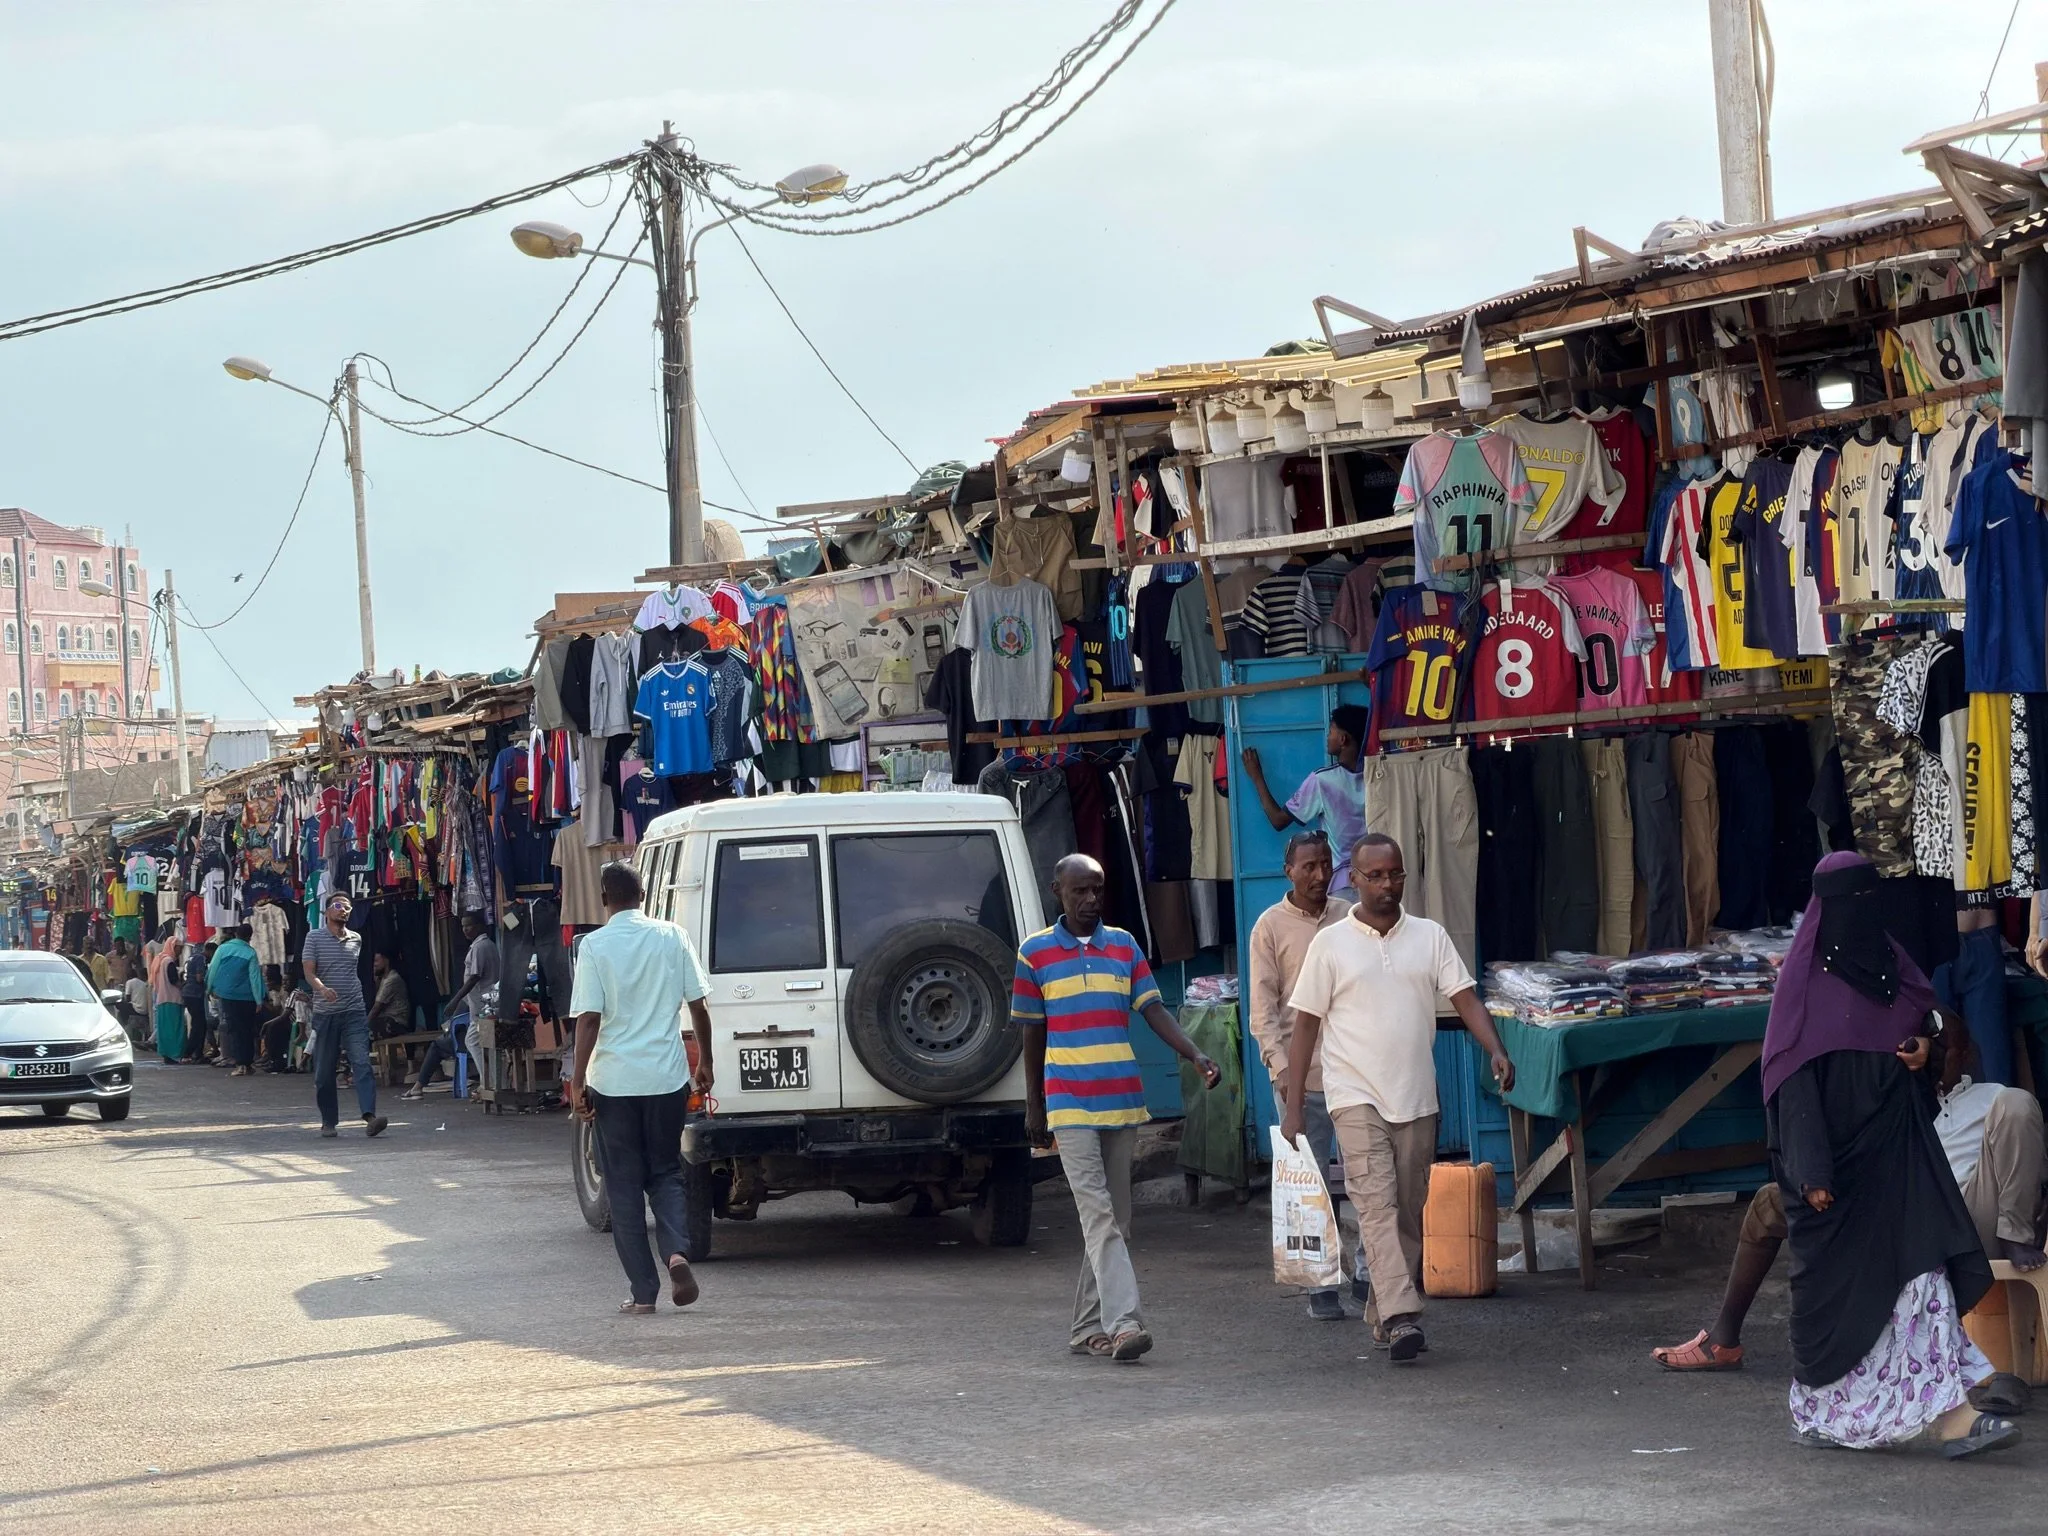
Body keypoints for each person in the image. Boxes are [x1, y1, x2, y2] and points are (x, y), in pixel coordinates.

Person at [1755, 852, 2014, 1458]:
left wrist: (1926, 1048)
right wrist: (1812, 1173)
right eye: (1853, 903)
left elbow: (1937, 1028)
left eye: (1874, 900)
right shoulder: (1802, 993)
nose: (1866, 915)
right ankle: (1830, 1414)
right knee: (1845, 1304)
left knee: (1923, 1277)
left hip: (1899, 1159)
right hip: (1836, 1182)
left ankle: (1954, 1417)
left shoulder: (1893, 969)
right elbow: (1792, 1087)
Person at [1655, 1003, 2046, 1374]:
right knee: (1768, 1202)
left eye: (1945, 1049)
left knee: (2018, 1102)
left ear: (1967, 1055)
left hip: (1966, 1222)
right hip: (1898, 1224)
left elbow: (2023, 1167)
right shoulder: (1892, 1098)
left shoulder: (1991, 1099)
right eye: (1927, 1047)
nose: (1936, 1057)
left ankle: (2015, 1237)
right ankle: (1723, 1340)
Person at [1282, 834, 1514, 1364]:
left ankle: (1381, 1311)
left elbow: (1465, 998)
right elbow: (1305, 1028)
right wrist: (1295, 1107)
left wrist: (1495, 1049)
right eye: (1376, 876)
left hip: (1416, 1096)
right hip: (1353, 1094)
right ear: (1355, 880)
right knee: (1376, 1205)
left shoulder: (1429, 936)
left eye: (1396, 874)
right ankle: (1402, 1315)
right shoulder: (1331, 945)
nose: (1388, 884)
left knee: (1409, 1211)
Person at [1013, 853, 1222, 1363]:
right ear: (1058, 891)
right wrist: (1035, 1107)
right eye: (1080, 891)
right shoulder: (1034, 953)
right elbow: (1032, 1034)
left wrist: (1194, 1054)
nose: (1090, 900)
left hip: (1122, 1100)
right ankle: (1125, 1323)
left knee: (1116, 1223)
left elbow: (1153, 1010)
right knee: (1099, 1215)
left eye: (1098, 890)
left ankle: (1086, 1328)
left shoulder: (1125, 945)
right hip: (1069, 1104)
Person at [568, 862, 714, 1315]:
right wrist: (706, 1062)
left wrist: (577, 1080)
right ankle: (676, 1254)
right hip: (666, 1078)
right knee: (666, 1172)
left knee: (624, 1185)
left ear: (603, 899)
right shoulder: (673, 936)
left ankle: (643, 1293)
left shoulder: (594, 946)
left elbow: (589, 1019)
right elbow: (698, 1006)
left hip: (614, 1083)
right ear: (644, 894)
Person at [1247, 829, 1354, 1320]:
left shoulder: (1349, 916)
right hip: (1299, 1078)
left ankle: (1370, 1277)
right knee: (1310, 1186)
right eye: (1308, 866)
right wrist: (1280, 1067)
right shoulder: (1269, 927)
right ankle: (1320, 1285)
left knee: (1368, 1180)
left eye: (1325, 864)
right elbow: (1263, 1009)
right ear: (1288, 871)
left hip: (1352, 1072)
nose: (1319, 874)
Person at [1239, 705, 1370, 897]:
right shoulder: (1378, 776)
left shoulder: (1323, 780)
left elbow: (1278, 820)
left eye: (1331, 731)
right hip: (1373, 877)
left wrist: (1256, 775)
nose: (1327, 736)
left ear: (1343, 739)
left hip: (1342, 883)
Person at [304, 894, 386, 1139]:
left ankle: (370, 1117)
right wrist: (322, 989)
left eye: (348, 908)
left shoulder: (356, 939)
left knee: (361, 1062)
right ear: (327, 911)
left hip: (354, 1011)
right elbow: (309, 972)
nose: (344, 910)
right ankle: (328, 1121)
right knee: (324, 1072)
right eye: (339, 906)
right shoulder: (314, 937)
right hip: (326, 1014)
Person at [404, 912, 496, 1101]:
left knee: (474, 1042)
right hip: (480, 1006)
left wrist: (454, 1000)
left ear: (480, 926)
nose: (465, 930)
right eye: (463, 926)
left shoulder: (480, 947)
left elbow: (474, 977)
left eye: (469, 925)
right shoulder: (484, 946)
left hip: (483, 1007)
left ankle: (488, 1083)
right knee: (480, 1043)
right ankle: (489, 1082)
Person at [209, 924, 266, 1077]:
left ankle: (240, 1065)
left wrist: (209, 988)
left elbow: (213, 969)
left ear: (236, 934)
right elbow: (255, 978)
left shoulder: (222, 949)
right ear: (249, 937)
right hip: (247, 998)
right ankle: (247, 1064)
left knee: (234, 1030)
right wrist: (259, 1000)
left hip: (228, 995)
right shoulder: (250, 952)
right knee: (247, 1030)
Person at [149, 938, 185, 1061]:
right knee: (174, 1029)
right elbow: (173, 980)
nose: (180, 951)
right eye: (179, 948)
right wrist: (184, 986)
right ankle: (174, 1053)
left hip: (162, 998)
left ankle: (166, 1053)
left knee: (165, 1029)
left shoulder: (160, 959)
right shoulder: (169, 961)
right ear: (173, 947)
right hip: (172, 999)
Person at [180, 940, 214, 1063]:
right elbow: (199, 978)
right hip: (194, 994)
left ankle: (197, 1053)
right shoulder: (201, 958)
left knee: (200, 1024)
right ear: (210, 951)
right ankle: (189, 1053)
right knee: (199, 1025)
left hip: (188, 993)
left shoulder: (192, 957)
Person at [367, 951, 413, 1040]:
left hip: (396, 1022)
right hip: (387, 1020)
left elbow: (376, 1008)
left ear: (386, 961)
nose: (374, 965)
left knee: (363, 1030)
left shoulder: (392, 979)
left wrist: (364, 1024)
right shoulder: (383, 979)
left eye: (376, 961)